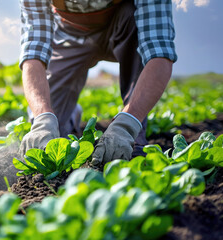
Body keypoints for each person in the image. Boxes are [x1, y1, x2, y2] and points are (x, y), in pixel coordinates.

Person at [18, 0, 177, 167]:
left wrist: (127, 125)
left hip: (126, 27)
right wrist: (42, 117)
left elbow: (159, 51)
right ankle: (70, 116)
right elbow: (33, 52)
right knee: (48, 135)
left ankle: (133, 135)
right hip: (71, 35)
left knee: (132, 17)